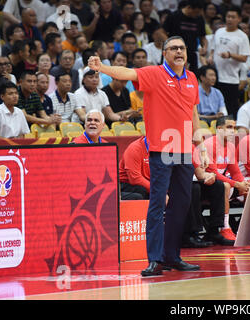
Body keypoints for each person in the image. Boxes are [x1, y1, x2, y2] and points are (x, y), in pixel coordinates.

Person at [87, 35, 207, 276]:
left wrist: (200, 144)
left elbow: (193, 113)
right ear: (165, 53)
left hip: (184, 150)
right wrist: (102, 68)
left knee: (182, 203)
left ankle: (172, 256)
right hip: (161, 150)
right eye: (173, 48)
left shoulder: (192, 78)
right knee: (157, 203)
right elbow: (127, 73)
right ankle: (154, 259)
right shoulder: (154, 74)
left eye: (182, 48)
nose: (179, 52)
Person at [204, 116, 248, 241]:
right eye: (229, 127)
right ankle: (225, 227)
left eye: (234, 128)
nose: (232, 131)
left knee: (249, 186)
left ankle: (244, 227)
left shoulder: (230, 146)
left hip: (220, 182)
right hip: (205, 183)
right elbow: (213, 173)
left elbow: (235, 172)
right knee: (226, 186)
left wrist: (243, 183)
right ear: (219, 129)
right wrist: (236, 184)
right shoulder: (209, 144)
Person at [209, 6, 250, 118]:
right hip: (215, 76)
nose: (230, 19)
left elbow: (244, 58)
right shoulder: (219, 31)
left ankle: (233, 131)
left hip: (231, 79)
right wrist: (210, 56)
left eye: (233, 17)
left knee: (230, 107)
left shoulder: (242, 36)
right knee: (217, 107)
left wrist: (230, 55)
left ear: (239, 19)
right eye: (228, 16)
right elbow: (213, 47)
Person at [162, 0, 206, 73]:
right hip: (175, 52)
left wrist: (204, 47)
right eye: (196, 12)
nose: (197, 15)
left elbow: (203, 37)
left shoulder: (199, 19)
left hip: (191, 53)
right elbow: (162, 32)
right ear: (189, 8)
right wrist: (170, 45)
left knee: (191, 77)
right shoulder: (174, 16)